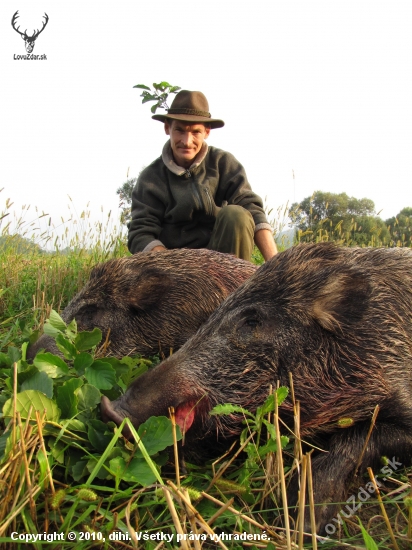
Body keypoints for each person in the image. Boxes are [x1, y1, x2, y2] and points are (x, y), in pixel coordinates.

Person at [127, 90, 278, 261]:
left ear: (207, 132)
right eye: (179, 130)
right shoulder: (150, 179)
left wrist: (276, 265)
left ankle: (237, 286)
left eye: (195, 132)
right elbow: (140, 233)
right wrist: (171, 266)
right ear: (167, 128)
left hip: (223, 260)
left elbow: (252, 208)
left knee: (237, 215)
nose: (186, 141)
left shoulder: (223, 163)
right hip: (175, 266)